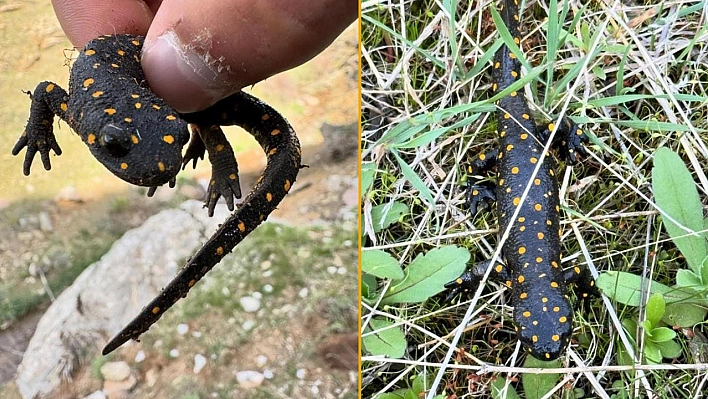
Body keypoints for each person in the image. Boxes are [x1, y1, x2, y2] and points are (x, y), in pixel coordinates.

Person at [51, 0, 358, 113]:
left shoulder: (77, 105)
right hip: (147, 79)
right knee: (193, 109)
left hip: (150, 67)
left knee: (191, 105)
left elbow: (47, 93)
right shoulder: (80, 109)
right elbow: (47, 94)